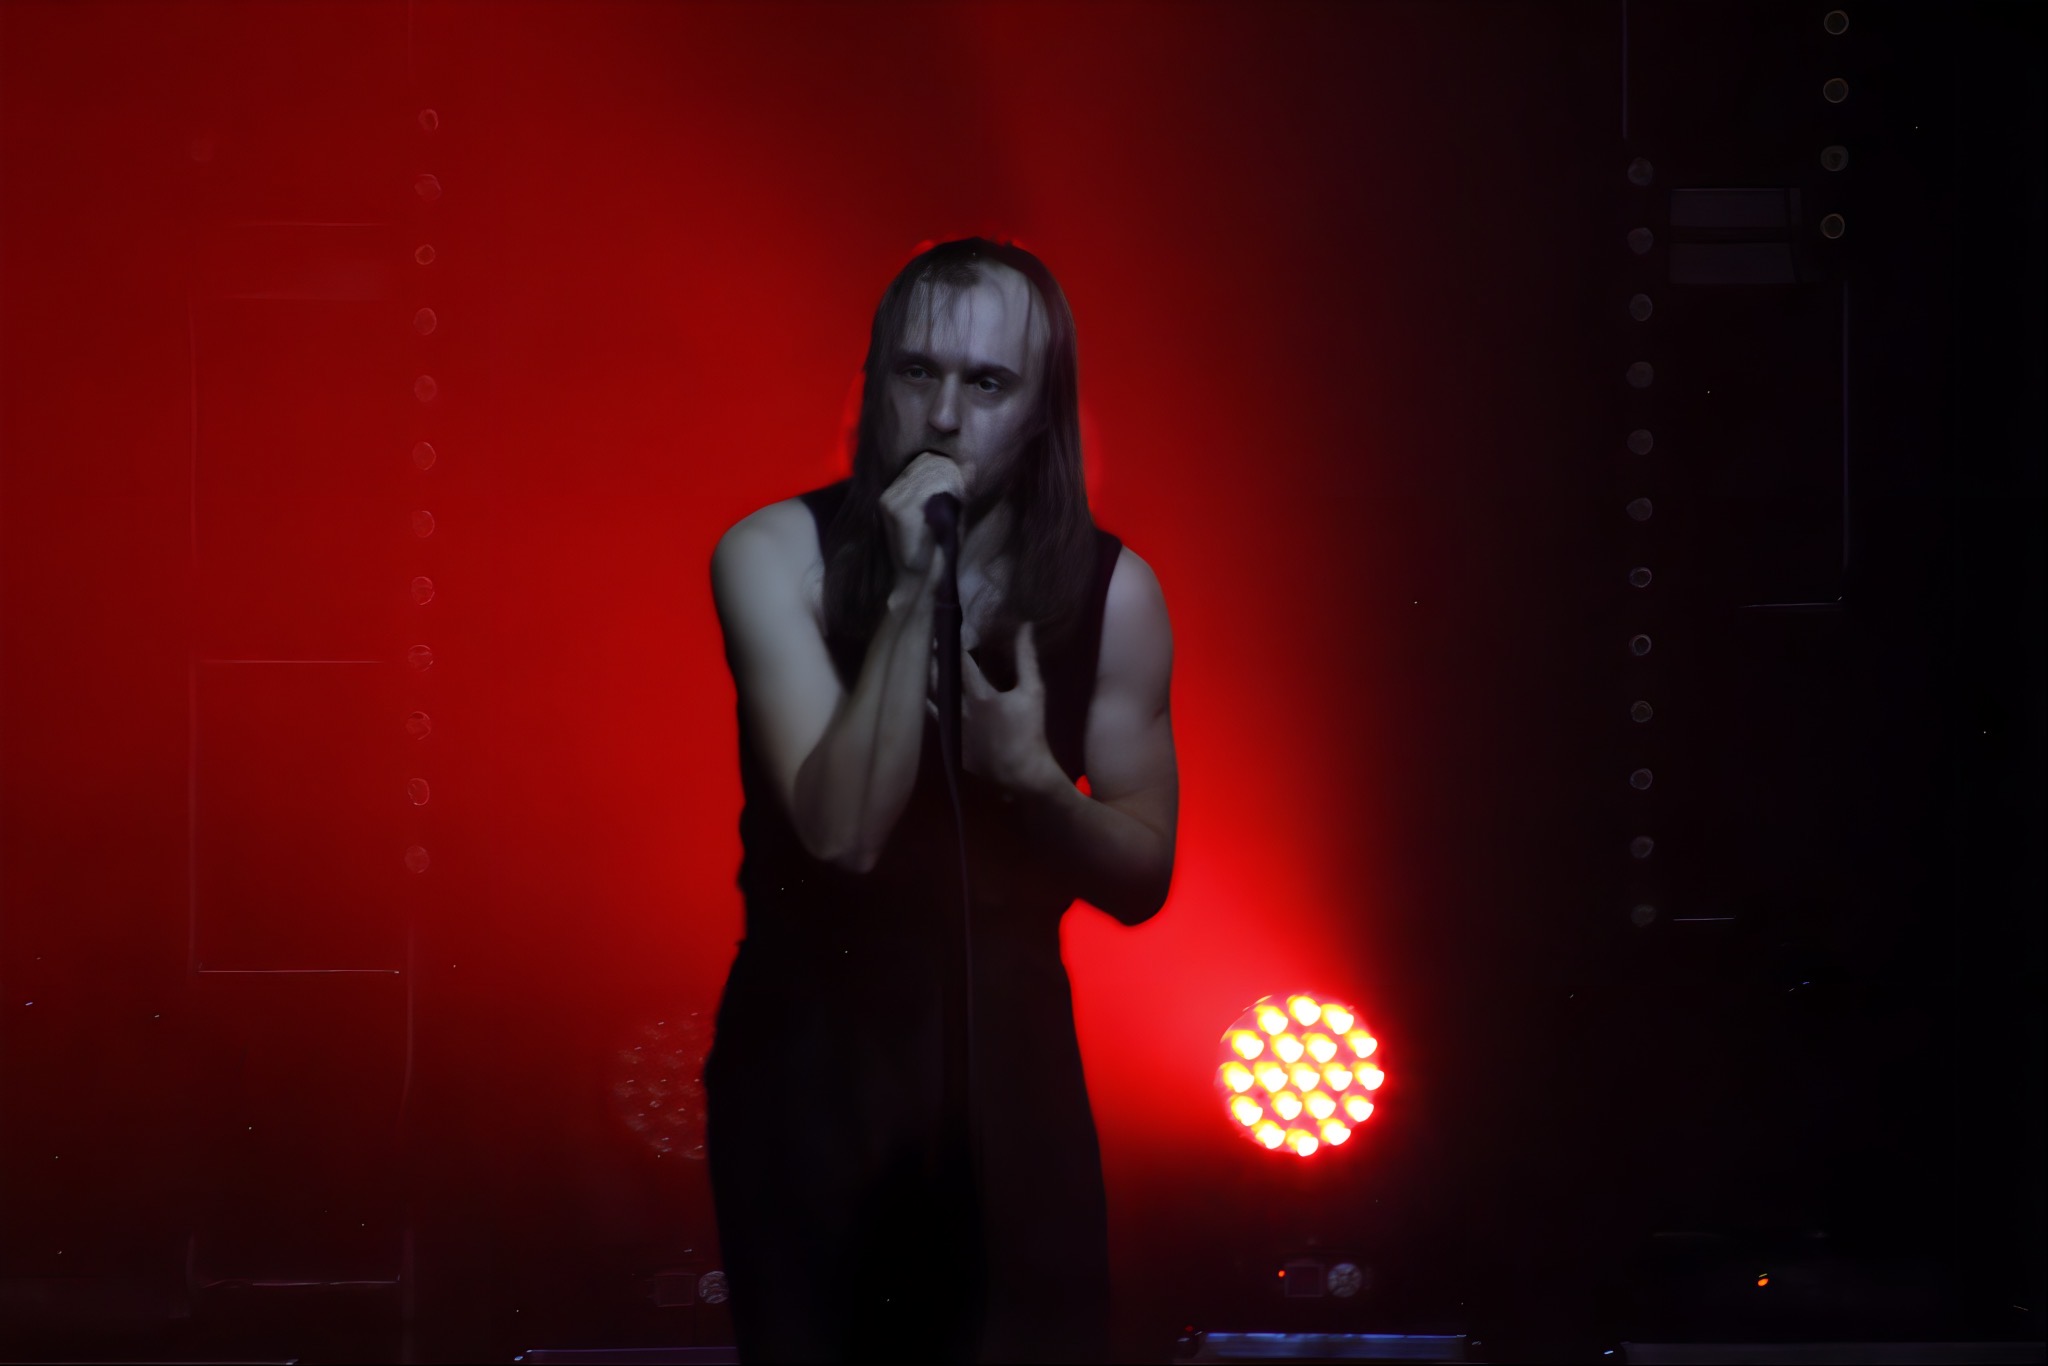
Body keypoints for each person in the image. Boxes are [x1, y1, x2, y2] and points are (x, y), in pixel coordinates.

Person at [703, 237, 1178, 1363]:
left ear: (1041, 408)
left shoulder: (1114, 593)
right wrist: (917, 581)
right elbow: (843, 833)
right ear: (875, 382)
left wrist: (1031, 785)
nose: (945, 415)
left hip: (1013, 1069)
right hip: (812, 1069)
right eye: (917, 372)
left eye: (988, 382)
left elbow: (1143, 877)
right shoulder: (772, 554)